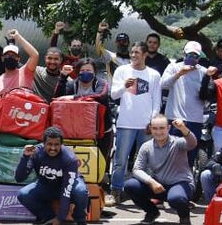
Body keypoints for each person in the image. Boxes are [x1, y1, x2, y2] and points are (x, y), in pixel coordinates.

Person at [108, 42, 162, 205]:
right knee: (121, 161)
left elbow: (156, 100)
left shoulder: (153, 74)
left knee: (146, 161)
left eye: (137, 52)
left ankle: (143, 192)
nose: (133, 55)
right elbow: (114, 95)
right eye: (132, 52)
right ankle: (116, 190)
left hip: (145, 124)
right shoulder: (121, 70)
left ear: (145, 54)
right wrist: (124, 86)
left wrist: (152, 122)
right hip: (126, 122)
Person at [124, 115, 196, 225]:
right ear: (151, 129)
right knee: (130, 185)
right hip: (158, 186)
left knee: (176, 198)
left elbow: (192, 143)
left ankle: (184, 216)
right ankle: (152, 212)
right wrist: (151, 182)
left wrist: (183, 129)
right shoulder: (146, 146)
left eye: (162, 128)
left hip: (180, 184)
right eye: (155, 128)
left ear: (168, 128)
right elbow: (137, 169)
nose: (158, 132)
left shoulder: (178, 143)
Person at [15, 127, 90, 225]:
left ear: (61, 144)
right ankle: (49, 217)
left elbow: (66, 191)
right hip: (46, 185)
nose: (53, 148)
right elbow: (19, 178)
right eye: (49, 144)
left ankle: (80, 218)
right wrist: (25, 157)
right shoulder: (35, 152)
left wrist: (61, 218)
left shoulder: (70, 159)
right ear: (43, 143)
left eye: (56, 145)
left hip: (69, 185)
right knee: (23, 194)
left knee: (81, 191)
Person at [53, 57, 113, 166]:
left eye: (89, 71)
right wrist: (62, 77)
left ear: (94, 72)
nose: (86, 73)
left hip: (102, 130)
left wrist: (74, 97)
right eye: (82, 71)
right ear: (78, 72)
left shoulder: (101, 83)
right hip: (78, 130)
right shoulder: (73, 84)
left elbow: (100, 96)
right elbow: (59, 97)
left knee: (101, 160)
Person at [160, 41, 208, 166]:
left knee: (190, 156)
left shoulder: (204, 72)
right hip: (174, 118)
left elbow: (208, 94)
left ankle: (187, 182)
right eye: (190, 55)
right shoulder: (173, 67)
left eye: (196, 56)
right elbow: (163, 84)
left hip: (195, 120)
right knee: (170, 154)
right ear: (184, 53)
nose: (192, 58)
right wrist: (179, 73)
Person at [0, 29, 39, 108]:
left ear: (18, 59)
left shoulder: (25, 72)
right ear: (2, 58)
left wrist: (18, 37)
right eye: (7, 55)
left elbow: (34, 55)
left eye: (13, 55)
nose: (10, 57)